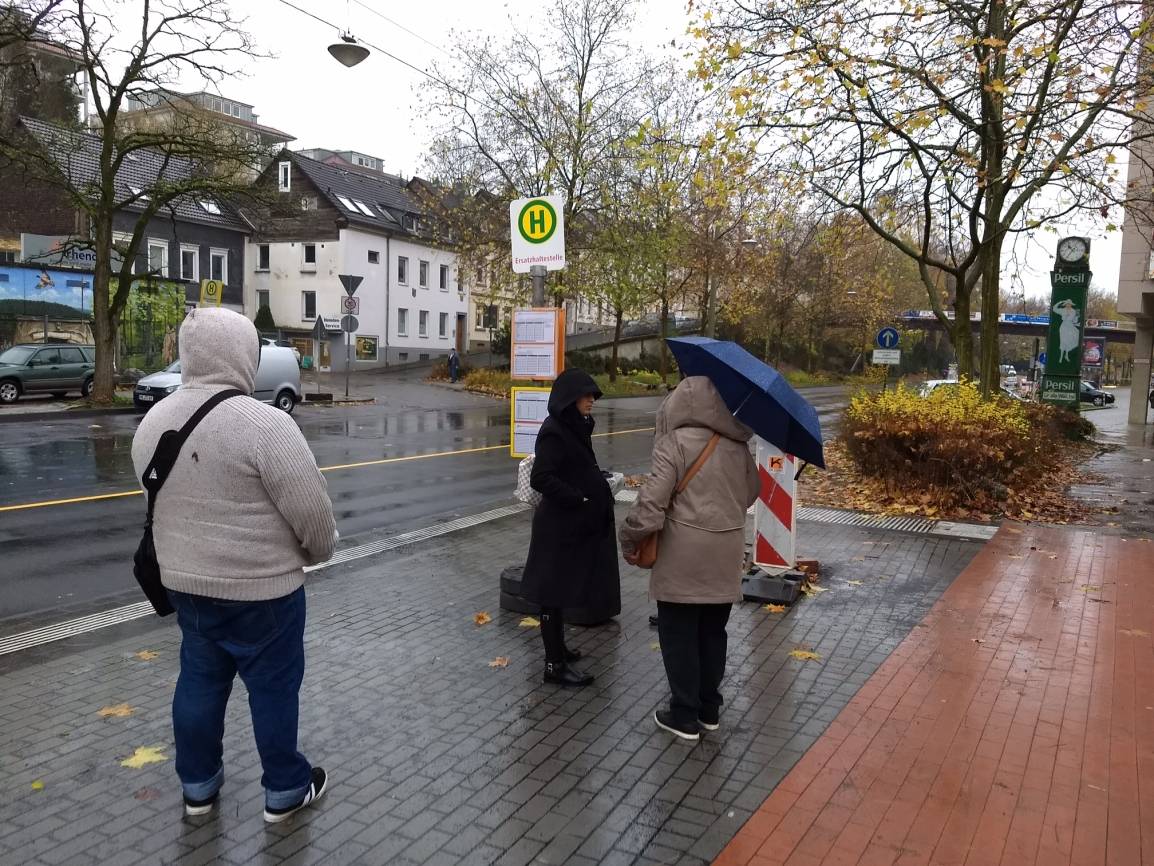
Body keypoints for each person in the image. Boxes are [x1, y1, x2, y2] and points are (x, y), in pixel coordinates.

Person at [131, 308, 338, 822]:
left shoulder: (153, 423)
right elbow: (314, 519)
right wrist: (314, 555)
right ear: (246, 355)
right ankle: (285, 790)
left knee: (199, 684)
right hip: (264, 593)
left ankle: (198, 788)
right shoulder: (267, 424)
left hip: (187, 588)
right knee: (273, 690)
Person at [619, 376, 760, 742]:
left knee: (679, 634)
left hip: (682, 555)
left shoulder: (674, 443)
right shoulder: (738, 445)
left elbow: (652, 505)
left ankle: (683, 715)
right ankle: (709, 708)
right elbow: (749, 495)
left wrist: (629, 535)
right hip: (726, 552)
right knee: (713, 632)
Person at [521, 369, 621, 686]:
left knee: (560, 590)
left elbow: (576, 466)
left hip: (569, 526)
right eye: (586, 395)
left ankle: (560, 649)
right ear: (570, 399)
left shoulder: (577, 426)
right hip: (557, 527)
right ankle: (553, 666)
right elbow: (542, 478)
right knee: (551, 594)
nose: (592, 400)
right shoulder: (554, 431)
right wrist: (578, 498)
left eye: (593, 395)